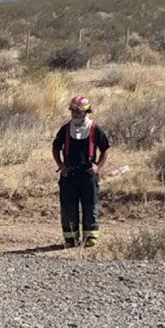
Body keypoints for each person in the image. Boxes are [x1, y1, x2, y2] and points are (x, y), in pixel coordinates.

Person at [52, 95, 110, 248]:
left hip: (88, 174)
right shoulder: (65, 129)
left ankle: (90, 237)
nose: (74, 114)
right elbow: (55, 147)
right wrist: (60, 164)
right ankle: (70, 238)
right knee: (68, 207)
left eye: (77, 111)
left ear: (85, 112)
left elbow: (105, 149)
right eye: (73, 111)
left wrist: (98, 166)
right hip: (69, 174)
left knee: (90, 205)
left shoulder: (95, 128)